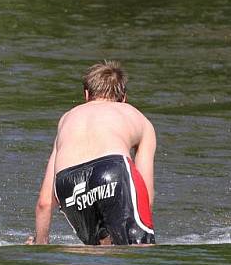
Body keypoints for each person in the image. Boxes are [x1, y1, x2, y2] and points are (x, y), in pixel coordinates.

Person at [27, 61, 156, 245]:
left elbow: (44, 203)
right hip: (112, 171)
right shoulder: (138, 118)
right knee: (138, 254)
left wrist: (41, 242)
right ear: (124, 98)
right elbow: (145, 195)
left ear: (86, 95)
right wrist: (140, 230)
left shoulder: (67, 119)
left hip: (68, 182)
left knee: (96, 253)